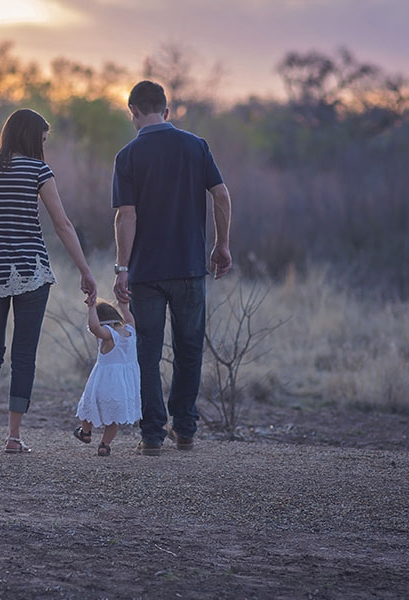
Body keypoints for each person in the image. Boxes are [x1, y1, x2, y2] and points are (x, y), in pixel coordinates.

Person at [0, 108, 97, 454]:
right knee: (24, 355)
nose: (43, 146)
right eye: (43, 139)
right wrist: (85, 270)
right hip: (31, 271)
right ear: (32, 138)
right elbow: (62, 225)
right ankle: (14, 436)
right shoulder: (38, 171)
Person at [112, 80, 232, 456]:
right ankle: (185, 429)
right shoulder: (196, 146)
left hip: (146, 272)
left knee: (147, 352)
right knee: (189, 349)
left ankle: (151, 435)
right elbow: (221, 194)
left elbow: (125, 216)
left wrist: (121, 267)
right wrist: (222, 244)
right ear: (167, 110)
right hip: (190, 267)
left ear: (132, 111)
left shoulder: (128, 156)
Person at [73, 298, 141, 457]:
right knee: (113, 418)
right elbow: (130, 319)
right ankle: (104, 445)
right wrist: (123, 306)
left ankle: (86, 432)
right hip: (123, 386)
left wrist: (91, 308)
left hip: (104, 382)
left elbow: (96, 328)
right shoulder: (130, 331)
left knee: (88, 408)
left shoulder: (108, 334)